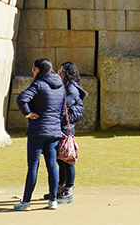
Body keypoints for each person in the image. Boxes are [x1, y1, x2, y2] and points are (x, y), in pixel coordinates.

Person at [15, 58, 65, 211]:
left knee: (33, 166)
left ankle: (26, 202)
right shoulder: (60, 86)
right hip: (54, 131)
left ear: (39, 69)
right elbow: (63, 110)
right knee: (52, 166)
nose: (32, 71)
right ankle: (53, 200)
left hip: (38, 130)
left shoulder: (38, 84)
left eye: (33, 69)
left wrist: (28, 113)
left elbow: (21, 98)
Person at [48, 62, 86, 204]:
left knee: (68, 160)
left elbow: (62, 106)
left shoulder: (71, 89)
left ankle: (68, 191)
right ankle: (60, 188)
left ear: (67, 72)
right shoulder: (66, 87)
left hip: (66, 128)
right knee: (61, 160)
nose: (59, 73)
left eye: (61, 70)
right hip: (61, 127)